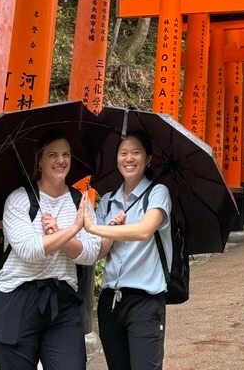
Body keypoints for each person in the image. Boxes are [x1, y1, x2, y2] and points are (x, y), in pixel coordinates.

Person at [0, 130, 101, 370]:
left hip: (61, 300)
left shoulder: (79, 201)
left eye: (66, 154)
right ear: (39, 160)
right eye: (52, 155)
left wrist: (60, 233)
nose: (61, 161)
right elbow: (29, 250)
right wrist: (72, 231)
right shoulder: (19, 200)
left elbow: (90, 252)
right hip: (17, 298)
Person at [82, 131, 172, 370]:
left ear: (148, 159)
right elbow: (98, 252)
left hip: (145, 301)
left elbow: (144, 230)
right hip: (111, 301)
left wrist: (97, 228)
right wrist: (109, 231)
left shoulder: (157, 193)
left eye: (136, 152)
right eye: (123, 153)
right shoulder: (109, 201)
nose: (129, 158)